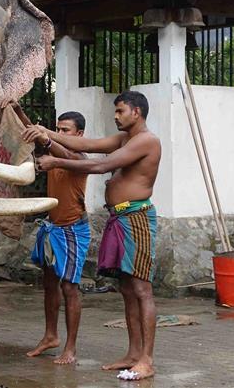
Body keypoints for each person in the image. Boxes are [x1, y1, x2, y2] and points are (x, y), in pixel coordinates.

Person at [35, 91, 161, 381]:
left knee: (142, 290)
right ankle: (132, 353)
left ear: (137, 112)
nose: (116, 116)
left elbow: (100, 165)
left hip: (137, 218)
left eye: (120, 111)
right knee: (127, 289)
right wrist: (46, 132)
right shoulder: (124, 139)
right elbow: (86, 144)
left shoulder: (147, 140)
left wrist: (57, 163)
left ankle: (147, 360)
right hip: (120, 218)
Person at [21, 112, 90, 365]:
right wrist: (15, 106)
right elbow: (32, 127)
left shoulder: (79, 158)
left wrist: (48, 141)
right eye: (57, 129)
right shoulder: (54, 153)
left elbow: (68, 155)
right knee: (49, 283)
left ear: (80, 135)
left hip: (73, 230)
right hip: (52, 229)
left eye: (66, 130)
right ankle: (51, 336)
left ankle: (70, 348)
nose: (60, 133)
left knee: (70, 288)